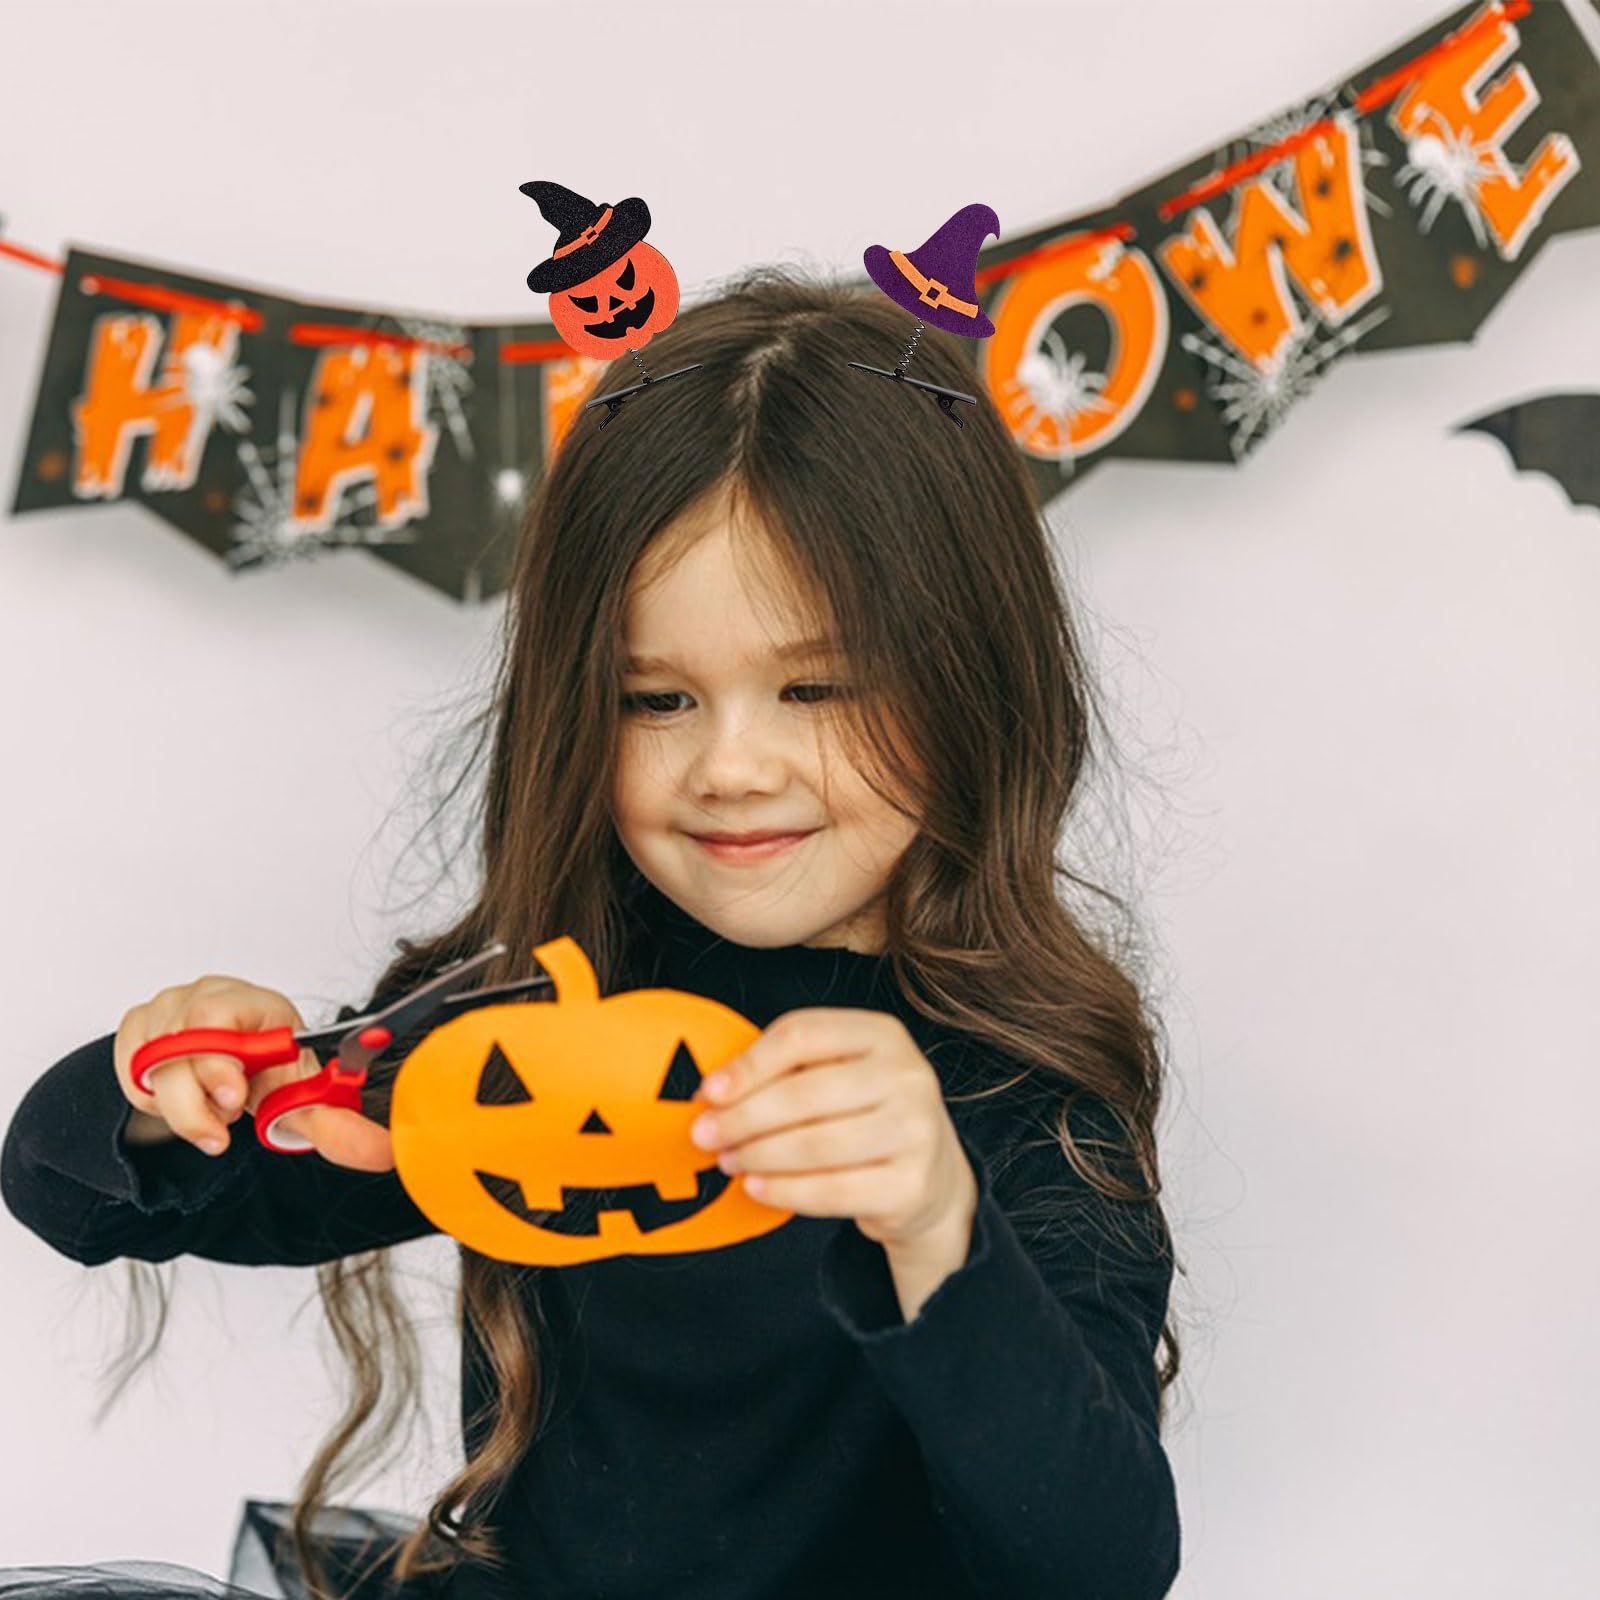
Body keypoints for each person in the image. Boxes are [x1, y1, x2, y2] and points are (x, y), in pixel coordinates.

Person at [1, 266, 1184, 1600]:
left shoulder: (1020, 1087)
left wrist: (936, 1229)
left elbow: (1102, 1561)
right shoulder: (533, 1021)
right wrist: (173, 1092)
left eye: (816, 687)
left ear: (972, 677)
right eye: (656, 700)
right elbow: (57, 1183)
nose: (732, 766)